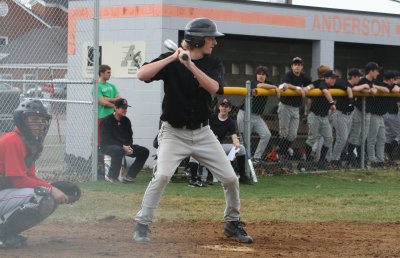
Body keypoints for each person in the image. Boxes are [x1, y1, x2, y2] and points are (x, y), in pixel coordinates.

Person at [133, 17, 253, 244]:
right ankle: (142, 224)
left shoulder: (213, 62)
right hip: (173, 133)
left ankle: (232, 223)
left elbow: (214, 88)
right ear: (197, 40)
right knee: (162, 176)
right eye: (210, 38)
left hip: (203, 133)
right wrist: (172, 58)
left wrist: (190, 64)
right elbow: (142, 74)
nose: (214, 43)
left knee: (229, 178)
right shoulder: (172, 60)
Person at [0, 100, 70, 248]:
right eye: (34, 120)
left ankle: (8, 233)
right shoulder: (12, 140)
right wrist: (50, 189)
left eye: (42, 120)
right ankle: (2, 235)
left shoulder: (27, 142)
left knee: (48, 196)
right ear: (22, 120)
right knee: (42, 196)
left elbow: (29, 177)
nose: (39, 124)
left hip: (3, 193)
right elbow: (19, 181)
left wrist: (50, 187)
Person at [100, 98, 149, 183]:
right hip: (107, 146)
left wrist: (129, 147)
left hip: (124, 147)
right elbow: (107, 139)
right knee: (118, 150)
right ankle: (112, 177)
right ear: (115, 108)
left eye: (126, 108)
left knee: (144, 151)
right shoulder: (107, 120)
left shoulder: (126, 121)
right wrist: (123, 147)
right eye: (123, 108)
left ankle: (130, 176)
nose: (125, 110)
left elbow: (129, 137)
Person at [237, 66, 279, 163]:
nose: (261, 76)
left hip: (256, 116)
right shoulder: (253, 83)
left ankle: (256, 158)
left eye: (263, 74)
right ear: (256, 75)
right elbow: (260, 86)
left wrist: (276, 87)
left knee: (266, 134)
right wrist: (274, 87)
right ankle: (241, 162)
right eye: (259, 74)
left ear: (266, 76)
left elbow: (279, 87)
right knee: (244, 141)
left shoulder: (268, 84)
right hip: (244, 114)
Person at [300, 70, 337, 170]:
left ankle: (321, 161)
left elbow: (311, 85)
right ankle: (307, 162)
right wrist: (332, 103)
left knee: (329, 139)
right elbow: (323, 91)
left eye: (335, 78)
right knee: (312, 138)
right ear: (327, 78)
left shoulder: (332, 86)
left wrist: (308, 87)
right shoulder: (322, 83)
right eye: (332, 78)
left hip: (324, 117)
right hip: (315, 115)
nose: (334, 80)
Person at [210, 98, 252, 185]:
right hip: (207, 145)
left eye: (226, 106)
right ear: (219, 107)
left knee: (241, 149)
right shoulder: (212, 117)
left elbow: (234, 136)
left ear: (229, 109)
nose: (224, 108)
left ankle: (242, 176)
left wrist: (236, 143)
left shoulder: (230, 122)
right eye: (222, 105)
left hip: (219, 146)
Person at [330, 68, 366, 168]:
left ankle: (338, 158)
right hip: (340, 114)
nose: (359, 78)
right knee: (342, 138)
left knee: (344, 139)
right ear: (354, 77)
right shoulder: (343, 83)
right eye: (358, 76)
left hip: (348, 115)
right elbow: (345, 86)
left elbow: (357, 89)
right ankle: (334, 160)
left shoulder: (354, 86)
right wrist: (350, 99)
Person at [347, 62, 380, 167]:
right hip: (359, 110)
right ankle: (350, 158)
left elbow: (376, 89)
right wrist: (367, 88)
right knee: (355, 135)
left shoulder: (374, 81)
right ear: (371, 71)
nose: (378, 73)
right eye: (376, 71)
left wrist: (372, 89)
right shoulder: (362, 80)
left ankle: (360, 160)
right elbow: (354, 88)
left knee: (364, 136)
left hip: (368, 112)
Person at [277, 57, 311, 161]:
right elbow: (284, 85)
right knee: (284, 132)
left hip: (296, 108)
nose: (297, 66)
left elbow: (311, 84)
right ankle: (281, 155)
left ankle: (281, 151)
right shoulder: (288, 75)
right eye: (295, 64)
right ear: (292, 66)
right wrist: (298, 88)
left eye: (299, 64)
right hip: (285, 106)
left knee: (292, 135)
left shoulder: (303, 76)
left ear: (302, 67)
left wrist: (307, 88)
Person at [367, 71, 398, 167]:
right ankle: (372, 160)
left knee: (382, 138)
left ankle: (380, 160)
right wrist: (376, 86)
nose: (395, 81)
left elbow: (395, 90)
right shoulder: (379, 83)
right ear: (391, 79)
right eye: (394, 79)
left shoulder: (388, 86)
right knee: (372, 138)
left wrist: (378, 87)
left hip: (381, 116)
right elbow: (385, 89)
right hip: (373, 114)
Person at [97, 64, 121, 144]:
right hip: (102, 117)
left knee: (113, 138)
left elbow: (119, 99)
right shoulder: (97, 86)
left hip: (112, 117)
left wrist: (107, 98)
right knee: (102, 140)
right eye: (108, 72)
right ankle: (100, 155)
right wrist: (114, 105)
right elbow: (103, 102)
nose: (110, 74)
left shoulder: (112, 86)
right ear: (101, 73)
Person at [383, 71, 400, 163]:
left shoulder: (386, 86)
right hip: (394, 114)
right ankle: (388, 155)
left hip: (385, 114)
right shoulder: (395, 86)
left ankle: (388, 156)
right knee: (398, 136)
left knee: (388, 136)